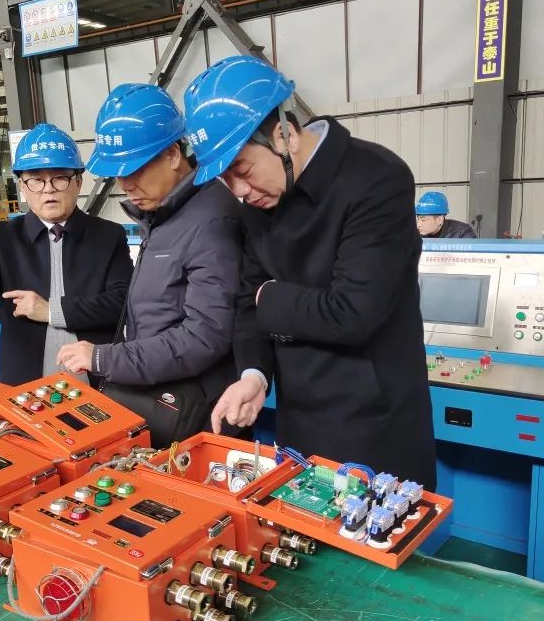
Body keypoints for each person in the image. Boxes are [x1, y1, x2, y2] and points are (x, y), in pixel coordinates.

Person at [182, 55, 436, 489]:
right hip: (298, 420)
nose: (240, 191)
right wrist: (254, 375)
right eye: (225, 180)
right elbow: (247, 302)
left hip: (373, 423)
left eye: (242, 170)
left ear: (284, 135)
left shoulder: (376, 179)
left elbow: (352, 313)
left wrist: (271, 297)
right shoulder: (260, 201)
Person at [57, 83, 242, 448]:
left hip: (193, 419)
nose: (125, 184)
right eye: (117, 172)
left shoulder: (211, 220)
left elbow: (203, 337)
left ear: (172, 154)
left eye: (135, 169)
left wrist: (104, 358)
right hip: (162, 402)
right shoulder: (164, 214)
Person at [0, 123, 133, 386]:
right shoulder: (3, 238)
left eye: (59, 178)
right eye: (36, 180)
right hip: (26, 385)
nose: (48, 189)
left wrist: (51, 310)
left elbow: (122, 302)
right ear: (22, 186)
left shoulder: (108, 236)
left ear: (78, 182)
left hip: (98, 383)